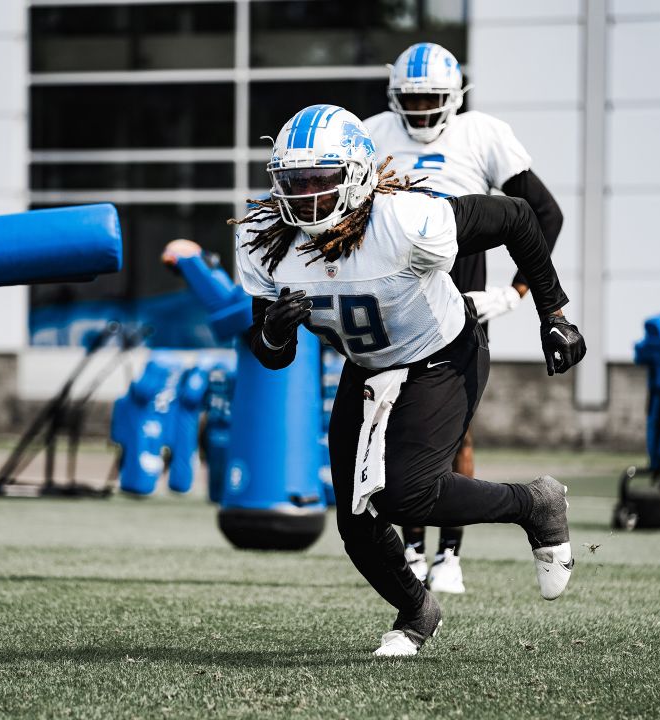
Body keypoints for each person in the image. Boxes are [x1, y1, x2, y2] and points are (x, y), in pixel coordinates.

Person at [232, 104, 585, 657]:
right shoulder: (266, 242)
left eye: (321, 178)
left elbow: (518, 215)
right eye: (293, 181)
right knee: (355, 519)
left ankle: (535, 503)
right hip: (369, 364)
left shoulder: (405, 220)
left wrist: (554, 313)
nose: (306, 194)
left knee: (407, 494)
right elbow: (271, 356)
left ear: (358, 177)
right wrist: (275, 335)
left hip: (443, 352)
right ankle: (418, 610)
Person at [363, 42, 566, 595]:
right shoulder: (373, 133)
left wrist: (519, 291)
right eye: (413, 99)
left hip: (463, 296)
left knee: (454, 432)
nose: (423, 110)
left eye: (432, 99)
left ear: (454, 98)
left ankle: (449, 553)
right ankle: (409, 546)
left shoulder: (482, 133)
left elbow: (542, 214)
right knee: (393, 425)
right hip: (396, 296)